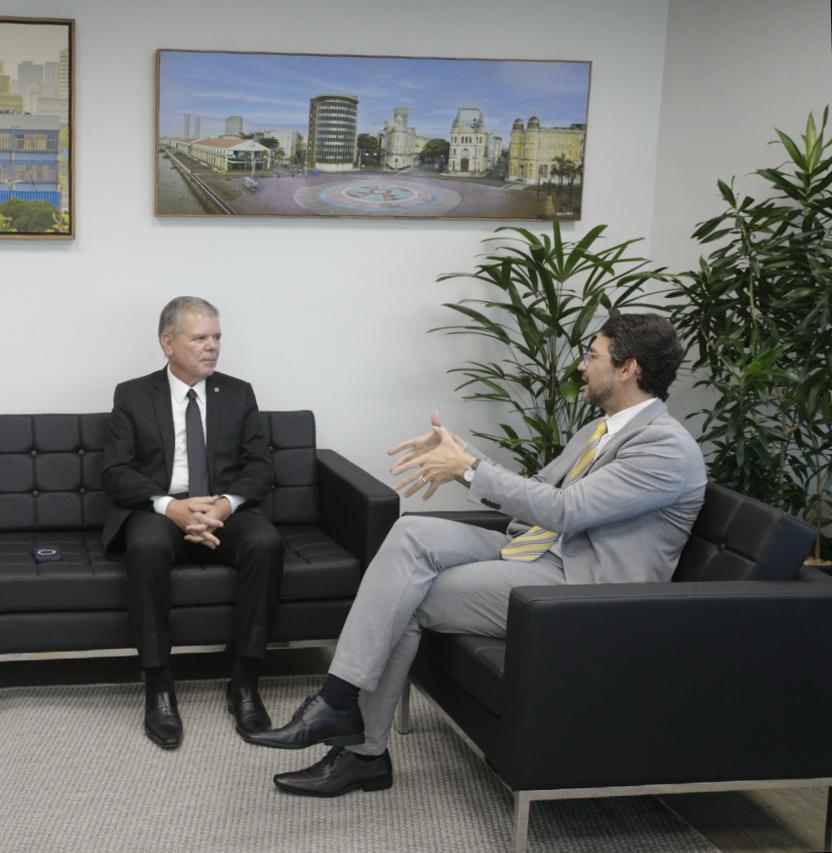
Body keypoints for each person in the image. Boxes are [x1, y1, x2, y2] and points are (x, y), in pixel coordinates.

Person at [247, 313, 706, 796]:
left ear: (627, 367)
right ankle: (337, 705)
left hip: (581, 589)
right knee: (412, 533)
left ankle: (360, 749)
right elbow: (538, 491)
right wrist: (466, 457)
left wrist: (467, 470)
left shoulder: (665, 448)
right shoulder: (602, 430)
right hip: (536, 551)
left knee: (409, 596)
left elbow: (567, 510)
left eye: (592, 356)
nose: (581, 367)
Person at [102, 296, 284, 750]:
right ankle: (159, 686)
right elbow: (115, 472)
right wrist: (172, 507)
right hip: (160, 509)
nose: (212, 347)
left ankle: (243, 682)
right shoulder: (132, 394)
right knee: (145, 547)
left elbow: (260, 467)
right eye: (199, 337)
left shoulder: (238, 393)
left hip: (224, 509)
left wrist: (223, 505)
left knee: (266, 543)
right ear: (168, 342)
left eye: (217, 337)